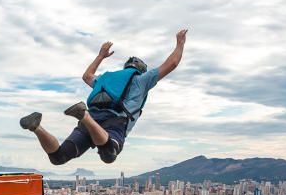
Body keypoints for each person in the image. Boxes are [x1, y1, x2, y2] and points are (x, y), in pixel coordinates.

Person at [20, 29, 187, 165]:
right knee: (109, 154)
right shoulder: (141, 80)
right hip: (114, 122)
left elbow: (87, 76)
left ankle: (36, 127)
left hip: (92, 118)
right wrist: (180, 44)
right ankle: (84, 116)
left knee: (59, 157)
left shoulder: (106, 80)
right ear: (141, 69)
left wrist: (100, 56)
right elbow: (171, 64)